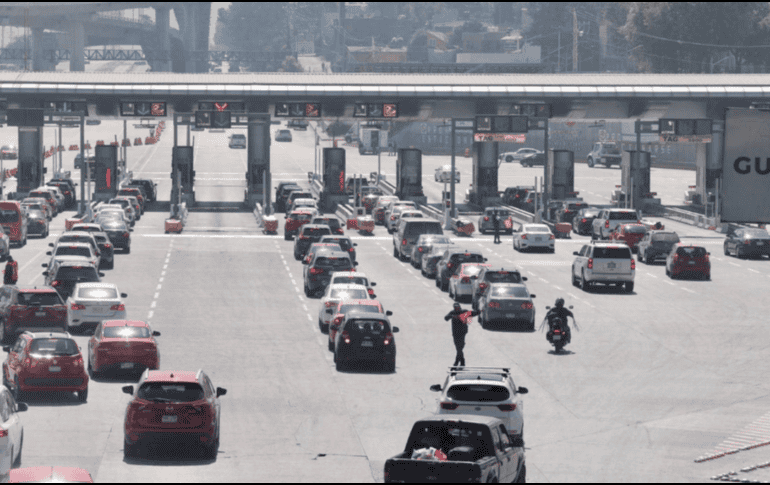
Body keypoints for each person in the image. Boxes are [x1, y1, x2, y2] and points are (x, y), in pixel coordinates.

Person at [444, 303, 480, 367]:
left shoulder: (464, 312)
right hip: (455, 333)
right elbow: (446, 318)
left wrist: (478, 311)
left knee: (460, 347)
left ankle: (458, 362)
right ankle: (460, 361)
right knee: (458, 348)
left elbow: (473, 313)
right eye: (456, 308)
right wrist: (452, 316)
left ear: (460, 307)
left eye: (458, 308)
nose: (457, 309)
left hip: (462, 333)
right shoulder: (452, 313)